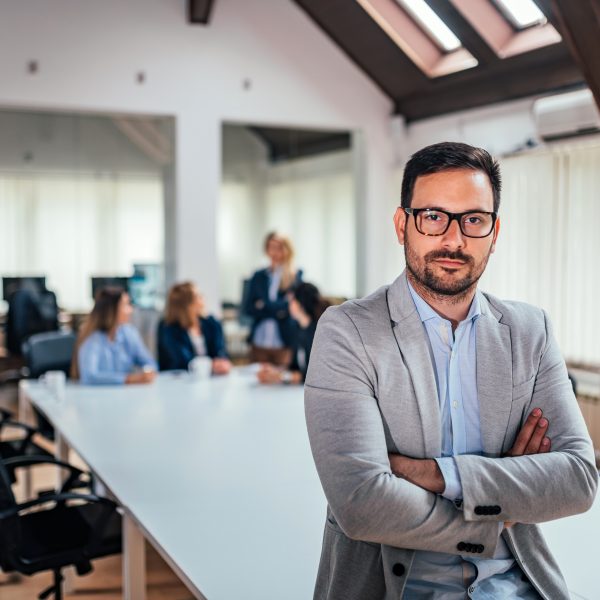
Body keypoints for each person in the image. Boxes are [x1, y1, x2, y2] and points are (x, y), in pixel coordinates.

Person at [305, 142, 597, 600]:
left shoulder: (529, 331)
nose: (454, 240)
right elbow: (360, 504)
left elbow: (578, 479)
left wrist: (438, 476)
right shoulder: (348, 332)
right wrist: (500, 508)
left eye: (473, 220)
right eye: (434, 217)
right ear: (403, 225)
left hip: (516, 587)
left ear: (494, 232)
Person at [72, 287, 157, 385]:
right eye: (125, 305)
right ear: (112, 310)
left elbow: (149, 362)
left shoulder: (129, 333)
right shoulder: (92, 340)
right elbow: (89, 376)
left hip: (124, 395)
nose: (130, 310)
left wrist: (147, 372)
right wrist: (128, 379)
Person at [244, 232, 302, 367]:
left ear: (287, 250)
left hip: (283, 344)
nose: (274, 252)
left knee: (282, 384)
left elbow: (292, 309)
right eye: (271, 247)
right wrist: (279, 309)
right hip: (259, 343)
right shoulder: (258, 276)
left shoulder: (295, 276)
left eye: (279, 247)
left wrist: (263, 305)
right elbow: (249, 308)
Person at [257, 282, 329, 385]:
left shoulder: (319, 332)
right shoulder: (298, 329)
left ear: (300, 303)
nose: (288, 304)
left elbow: (318, 374)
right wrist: (276, 371)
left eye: (291, 300)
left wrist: (283, 377)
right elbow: (295, 367)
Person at [157, 282, 231, 374]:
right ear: (186, 304)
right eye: (198, 297)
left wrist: (222, 362)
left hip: (211, 378)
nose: (202, 299)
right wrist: (210, 365)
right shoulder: (168, 327)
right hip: (179, 379)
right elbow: (181, 360)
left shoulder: (211, 323)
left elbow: (221, 351)